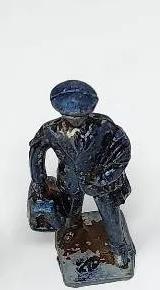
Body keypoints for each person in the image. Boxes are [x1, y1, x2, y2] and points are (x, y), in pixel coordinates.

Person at [29, 80, 135, 267]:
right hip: (69, 179)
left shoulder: (104, 126)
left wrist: (105, 176)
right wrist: (39, 181)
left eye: (82, 116)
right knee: (70, 211)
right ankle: (74, 231)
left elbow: (122, 151)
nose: (76, 120)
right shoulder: (50, 130)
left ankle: (118, 247)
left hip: (99, 180)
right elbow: (36, 151)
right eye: (70, 116)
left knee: (110, 214)